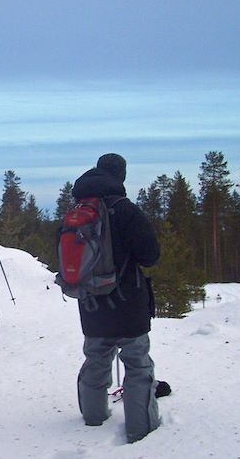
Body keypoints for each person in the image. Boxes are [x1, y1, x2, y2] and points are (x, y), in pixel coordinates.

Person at [71, 153, 161, 444]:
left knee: (96, 357)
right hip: (128, 300)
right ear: (120, 175)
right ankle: (140, 428)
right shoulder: (125, 210)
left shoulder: (78, 211)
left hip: (91, 301)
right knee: (136, 362)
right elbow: (150, 255)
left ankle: (93, 417)